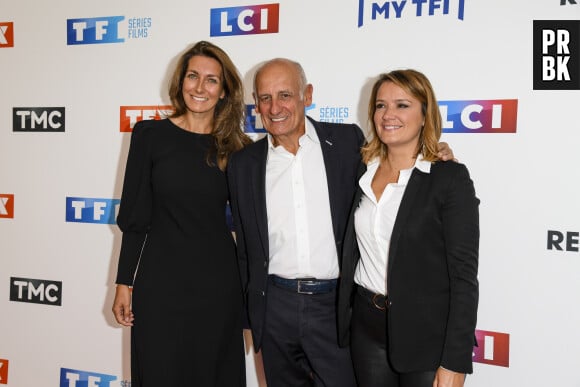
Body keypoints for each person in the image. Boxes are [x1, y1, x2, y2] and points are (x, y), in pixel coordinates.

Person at [227, 59, 454, 387]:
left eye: (285, 95)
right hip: (275, 307)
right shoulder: (243, 164)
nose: (274, 107)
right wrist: (253, 317)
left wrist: (435, 153)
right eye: (265, 98)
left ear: (307, 95)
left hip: (335, 308)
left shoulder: (348, 143)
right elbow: (246, 248)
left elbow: (396, 164)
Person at [111, 41, 252, 387]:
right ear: (180, 81)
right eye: (193, 76)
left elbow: (251, 231)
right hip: (160, 285)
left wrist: (252, 302)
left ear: (224, 91)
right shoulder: (149, 136)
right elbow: (136, 218)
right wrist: (124, 282)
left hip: (218, 288)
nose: (200, 88)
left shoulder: (238, 149)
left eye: (211, 80)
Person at [337, 69, 479, 387]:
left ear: (425, 113)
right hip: (366, 328)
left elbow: (464, 278)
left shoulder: (449, 179)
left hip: (427, 335)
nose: (388, 115)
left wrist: (455, 362)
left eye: (402, 105)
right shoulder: (362, 169)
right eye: (380, 105)